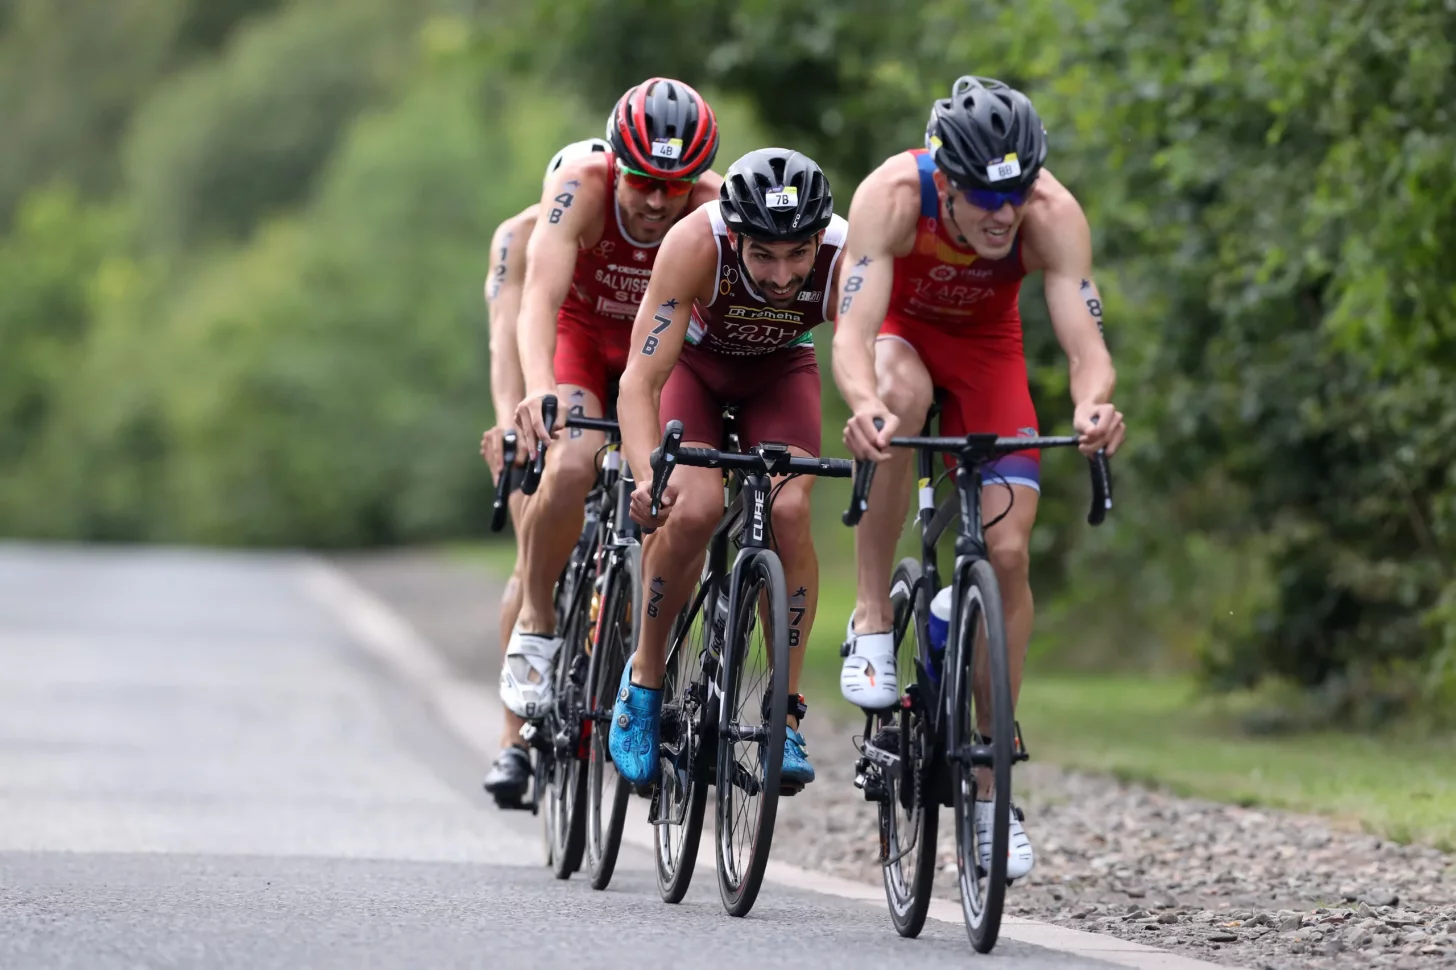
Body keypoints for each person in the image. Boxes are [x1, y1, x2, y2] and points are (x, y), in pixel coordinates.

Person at [832, 76, 1126, 879]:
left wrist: (1095, 405)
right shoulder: (893, 196)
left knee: (1006, 555)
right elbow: (854, 330)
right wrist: (862, 404)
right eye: (983, 197)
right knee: (900, 398)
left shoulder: (1050, 213)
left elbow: (1084, 344)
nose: (1003, 213)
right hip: (902, 341)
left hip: (989, 355)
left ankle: (993, 791)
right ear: (945, 177)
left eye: (1016, 192)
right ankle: (871, 619)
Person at [610, 148, 846, 786]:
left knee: (792, 509)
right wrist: (644, 477)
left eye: (798, 254)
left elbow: (864, 351)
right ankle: (645, 680)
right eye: (763, 255)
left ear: (819, 239)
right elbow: (638, 382)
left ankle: (785, 717)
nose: (781, 274)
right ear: (735, 235)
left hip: (781, 373)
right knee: (694, 509)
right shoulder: (694, 244)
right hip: (695, 373)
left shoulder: (844, 259)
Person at [502, 78, 723, 731]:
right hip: (582, 340)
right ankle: (539, 616)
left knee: (683, 502)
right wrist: (539, 385)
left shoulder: (711, 207)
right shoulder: (581, 184)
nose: (657, 201)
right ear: (616, 166)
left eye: (674, 184)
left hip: (657, 357)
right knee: (571, 465)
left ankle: (653, 655)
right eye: (643, 181)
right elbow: (538, 299)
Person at [479, 137, 613, 807]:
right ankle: (512, 740)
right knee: (537, 527)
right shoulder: (524, 236)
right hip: (557, 368)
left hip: (626, 365)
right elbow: (508, 335)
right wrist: (513, 423)